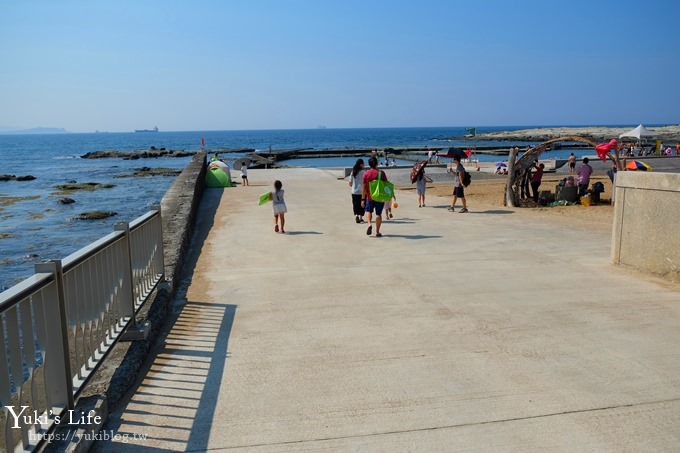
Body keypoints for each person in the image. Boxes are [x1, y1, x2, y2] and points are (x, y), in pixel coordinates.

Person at [361, 156, 388, 237]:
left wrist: (363, 199)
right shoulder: (381, 173)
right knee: (378, 214)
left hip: (370, 196)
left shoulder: (366, 174)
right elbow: (386, 184)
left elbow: (364, 188)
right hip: (379, 197)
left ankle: (369, 224)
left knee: (369, 211)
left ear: (369, 164)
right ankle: (377, 232)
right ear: (377, 163)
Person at [348, 159, 365, 224]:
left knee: (355, 205)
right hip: (362, 191)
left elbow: (350, 183)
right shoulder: (363, 172)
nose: (364, 165)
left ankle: (356, 215)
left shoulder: (353, 171)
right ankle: (360, 218)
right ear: (360, 164)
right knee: (362, 205)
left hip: (354, 191)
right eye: (363, 164)